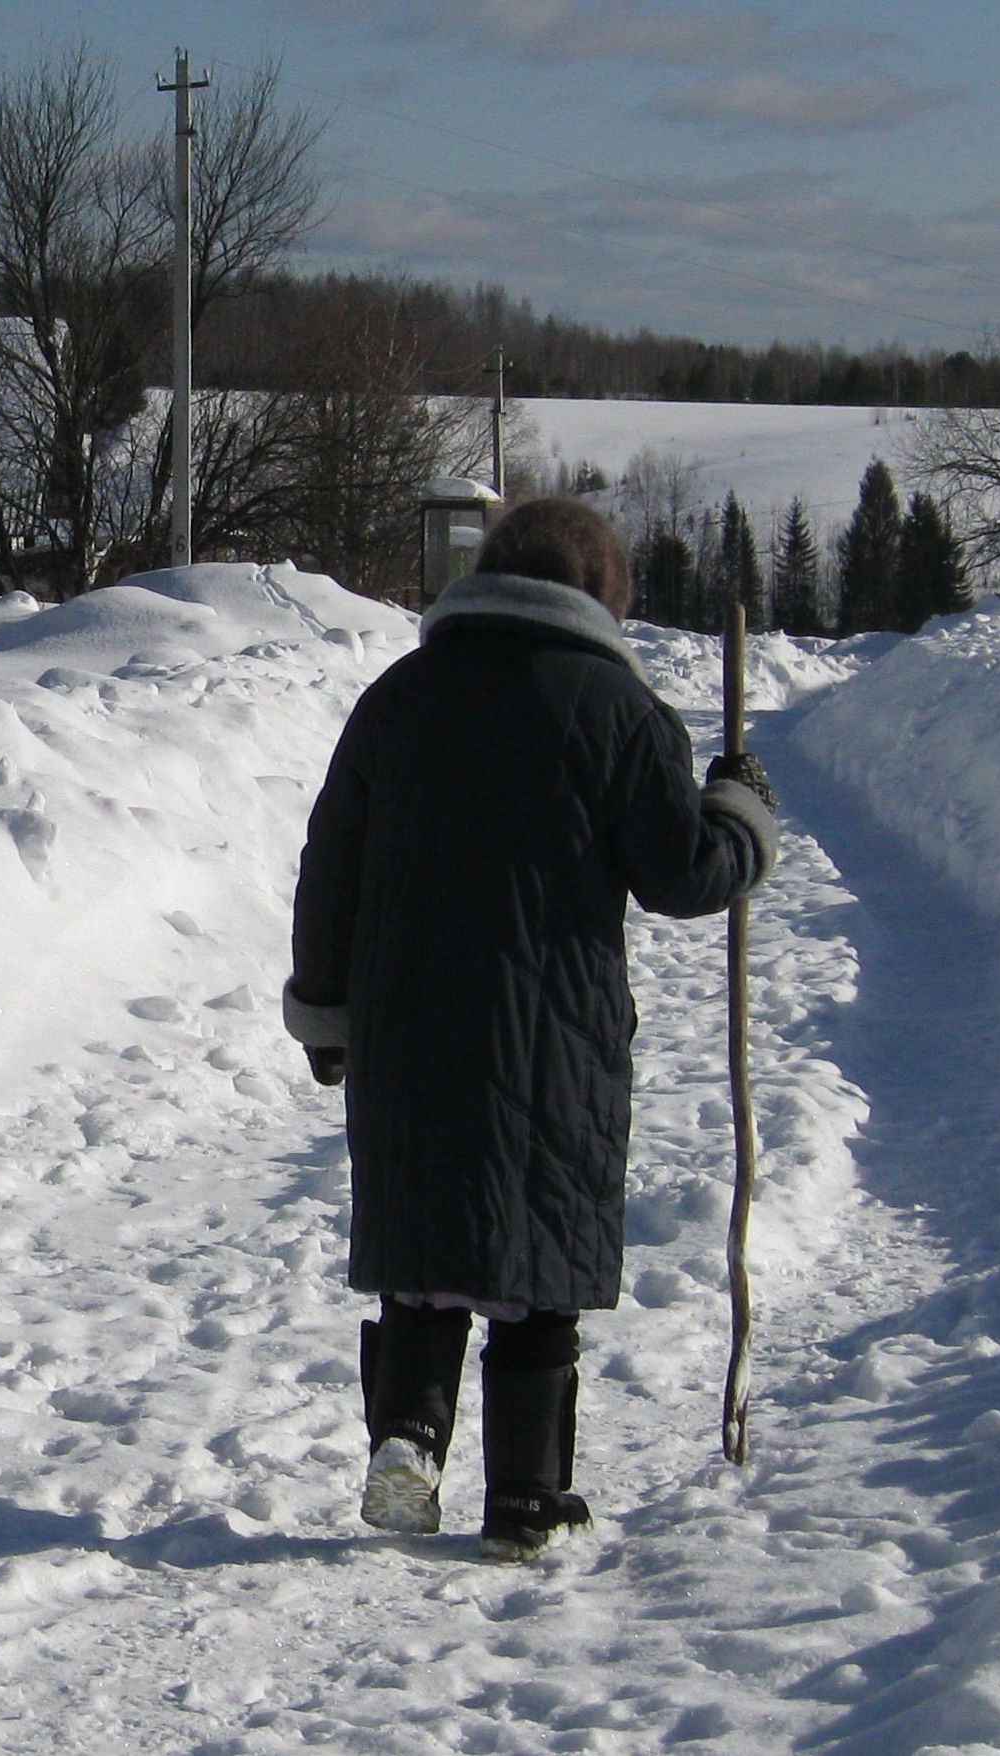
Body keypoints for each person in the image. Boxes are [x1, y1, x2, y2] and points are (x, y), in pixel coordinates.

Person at [283, 495, 778, 1560]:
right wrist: (738, 815)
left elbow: (331, 865)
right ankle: (524, 1500)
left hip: (405, 1029)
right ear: (600, 594)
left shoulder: (398, 698)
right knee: (536, 1269)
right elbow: (681, 870)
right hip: (551, 1034)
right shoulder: (616, 709)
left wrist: (324, 1010)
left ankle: (406, 1436)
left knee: (423, 1257)